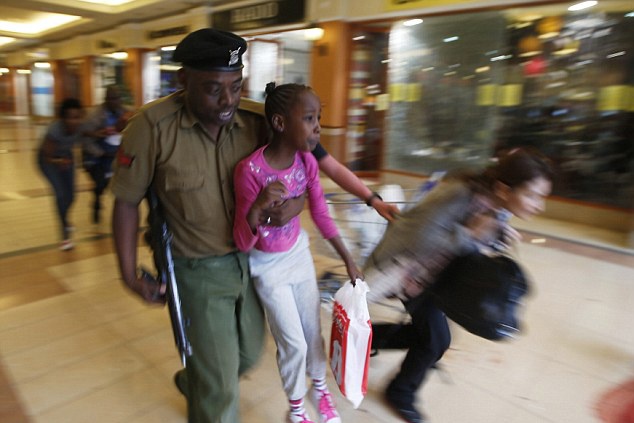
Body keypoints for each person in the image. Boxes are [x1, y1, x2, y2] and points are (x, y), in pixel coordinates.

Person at [111, 28, 394, 423]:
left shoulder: (256, 119)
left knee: (247, 354)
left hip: (251, 260)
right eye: (213, 89)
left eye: (235, 85)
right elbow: (126, 202)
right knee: (222, 383)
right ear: (183, 80)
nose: (227, 100)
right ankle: (209, 391)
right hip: (196, 266)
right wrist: (128, 275)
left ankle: (198, 380)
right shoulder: (152, 127)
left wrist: (352, 200)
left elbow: (313, 164)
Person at [363, 148, 554, 423]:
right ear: (503, 189)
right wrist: (471, 234)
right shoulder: (459, 194)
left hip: (434, 274)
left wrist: (495, 233)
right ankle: (399, 391)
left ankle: (367, 341)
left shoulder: (497, 205)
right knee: (435, 340)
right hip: (406, 269)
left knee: (432, 339)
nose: (539, 205)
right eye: (532, 195)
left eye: (541, 197)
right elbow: (420, 240)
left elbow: (474, 238)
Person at [233, 83, 363, 423]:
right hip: (267, 268)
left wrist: (348, 259)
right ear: (279, 123)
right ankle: (296, 410)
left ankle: (319, 390)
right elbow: (242, 241)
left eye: (318, 118)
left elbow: (320, 213)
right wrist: (257, 207)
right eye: (308, 118)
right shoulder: (249, 171)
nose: (317, 127)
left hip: (299, 256)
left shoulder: (306, 161)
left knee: (312, 332)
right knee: (293, 344)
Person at [37, 98, 84, 251]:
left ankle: (65, 218)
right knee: (61, 194)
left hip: (66, 157)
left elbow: (89, 134)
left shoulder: (80, 126)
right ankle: (64, 235)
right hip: (47, 161)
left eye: (77, 117)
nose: (74, 121)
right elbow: (46, 156)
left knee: (71, 195)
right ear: (63, 118)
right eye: (70, 117)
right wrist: (59, 161)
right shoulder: (54, 130)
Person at [82, 84, 131, 224]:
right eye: (111, 98)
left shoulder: (125, 112)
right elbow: (85, 139)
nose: (115, 102)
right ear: (106, 99)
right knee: (100, 183)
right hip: (95, 156)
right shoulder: (94, 116)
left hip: (113, 155)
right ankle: (97, 201)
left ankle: (120, 213)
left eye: (117, 98)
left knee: (115, 183)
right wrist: (101, 152)